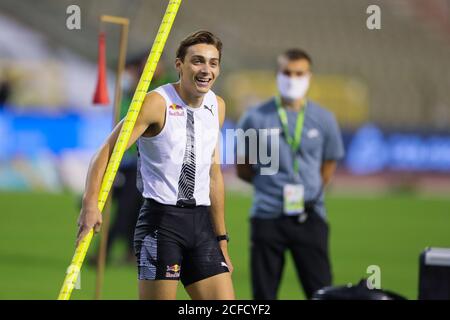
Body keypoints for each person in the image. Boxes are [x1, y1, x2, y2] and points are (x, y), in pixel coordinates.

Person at [77, 30, 235, 300]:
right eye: (197, 61)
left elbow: (213, 176)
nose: (206, 69)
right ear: (179, 65)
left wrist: (221, 240)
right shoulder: (155, 103)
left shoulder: (217, 106)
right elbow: (104, 153)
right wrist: (90, 204)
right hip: (161, 225)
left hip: (201, 225)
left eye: (213, 62)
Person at [236, 48, 345, 299]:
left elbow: (327, 167)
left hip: (310, 215)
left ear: (309, 77)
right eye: (287, 72)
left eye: (299, 73)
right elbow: (243, 168)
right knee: (263, 296)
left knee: (321, 291)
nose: (293, 78)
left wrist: (310, 190)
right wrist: (270, 187)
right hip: (267, 215)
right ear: (277, 74)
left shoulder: (324, 119)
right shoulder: (254, 118)